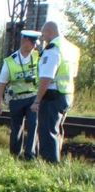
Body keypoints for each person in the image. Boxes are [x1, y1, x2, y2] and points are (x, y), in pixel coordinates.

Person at [31, 21, 81, 163]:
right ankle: (56, 160)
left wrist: (37, 100)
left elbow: (47, 77)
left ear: (50, 32)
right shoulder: (72, 49)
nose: (43, 37)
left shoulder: (53, 49)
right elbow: (74, 74)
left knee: (47, 132)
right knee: (57, 130)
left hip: (53, 95)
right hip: (67, 93)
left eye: (44, 33)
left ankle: (49, 164)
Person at [0, 30, 41, 159]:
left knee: (33, 125)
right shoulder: (10, 61)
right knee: (16, 127)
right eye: (32, 42)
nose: (35, 46)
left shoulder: (39, 57)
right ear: (24, 41)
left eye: (35, 43)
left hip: (33, 97)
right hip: (16, 99)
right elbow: (1, 83)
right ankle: (14, 154)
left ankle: (30, 156)